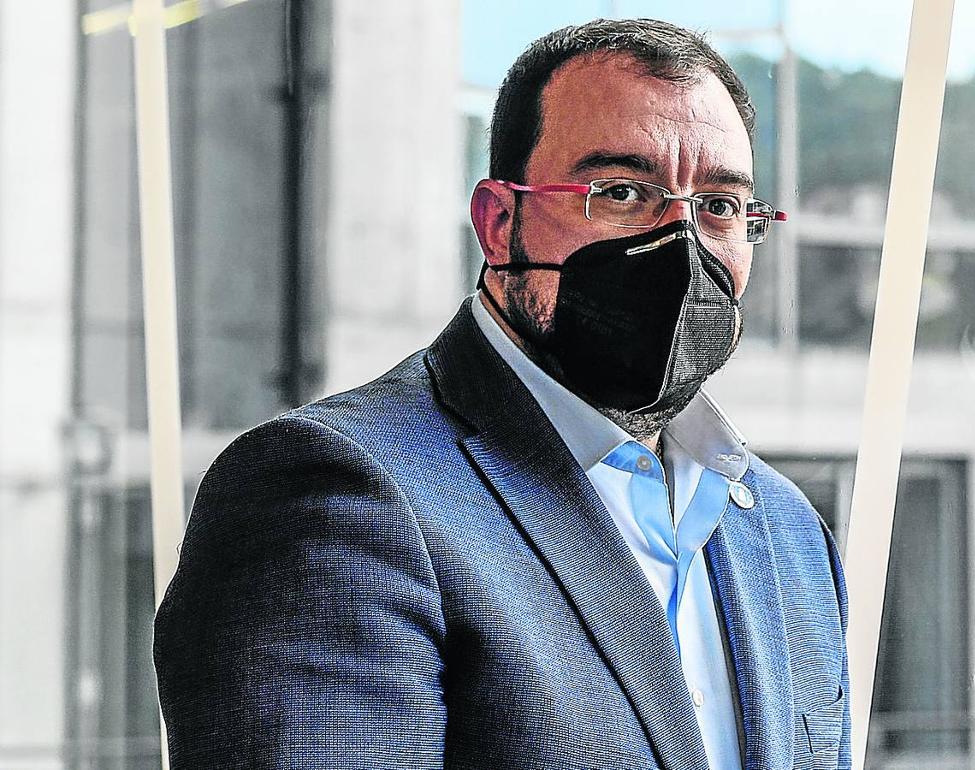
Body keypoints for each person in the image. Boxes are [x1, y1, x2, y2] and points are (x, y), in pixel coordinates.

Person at [153, 18, 851, 770]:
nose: (680, 244)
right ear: (498, 221)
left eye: (719, 205)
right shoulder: (337, 493)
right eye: (621, 192)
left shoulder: (787, 533)